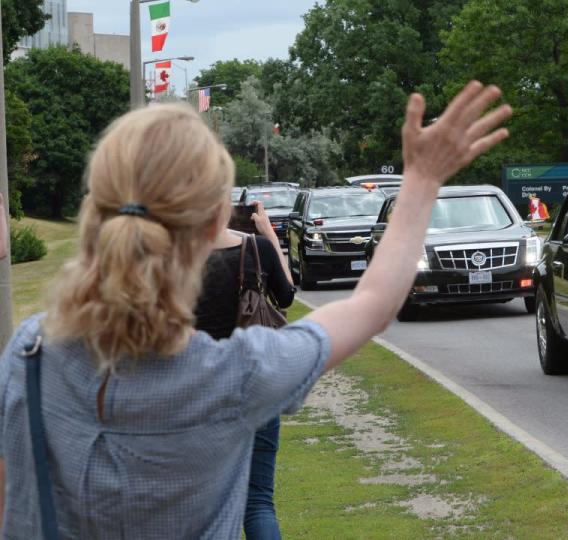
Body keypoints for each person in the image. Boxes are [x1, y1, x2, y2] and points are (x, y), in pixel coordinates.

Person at [0, 81, 511, 537]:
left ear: (96, 209)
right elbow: (374, 304)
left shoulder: (27, 355)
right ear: (213, 229)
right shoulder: (230, 377)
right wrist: (421, 180)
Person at [194, 200, 295, 539]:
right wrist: (268, 233)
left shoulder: (175, 257)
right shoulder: (258, 249)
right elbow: (287, 295)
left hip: (202, 387)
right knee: (258, 502)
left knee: (206, 504)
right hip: (256, 383)